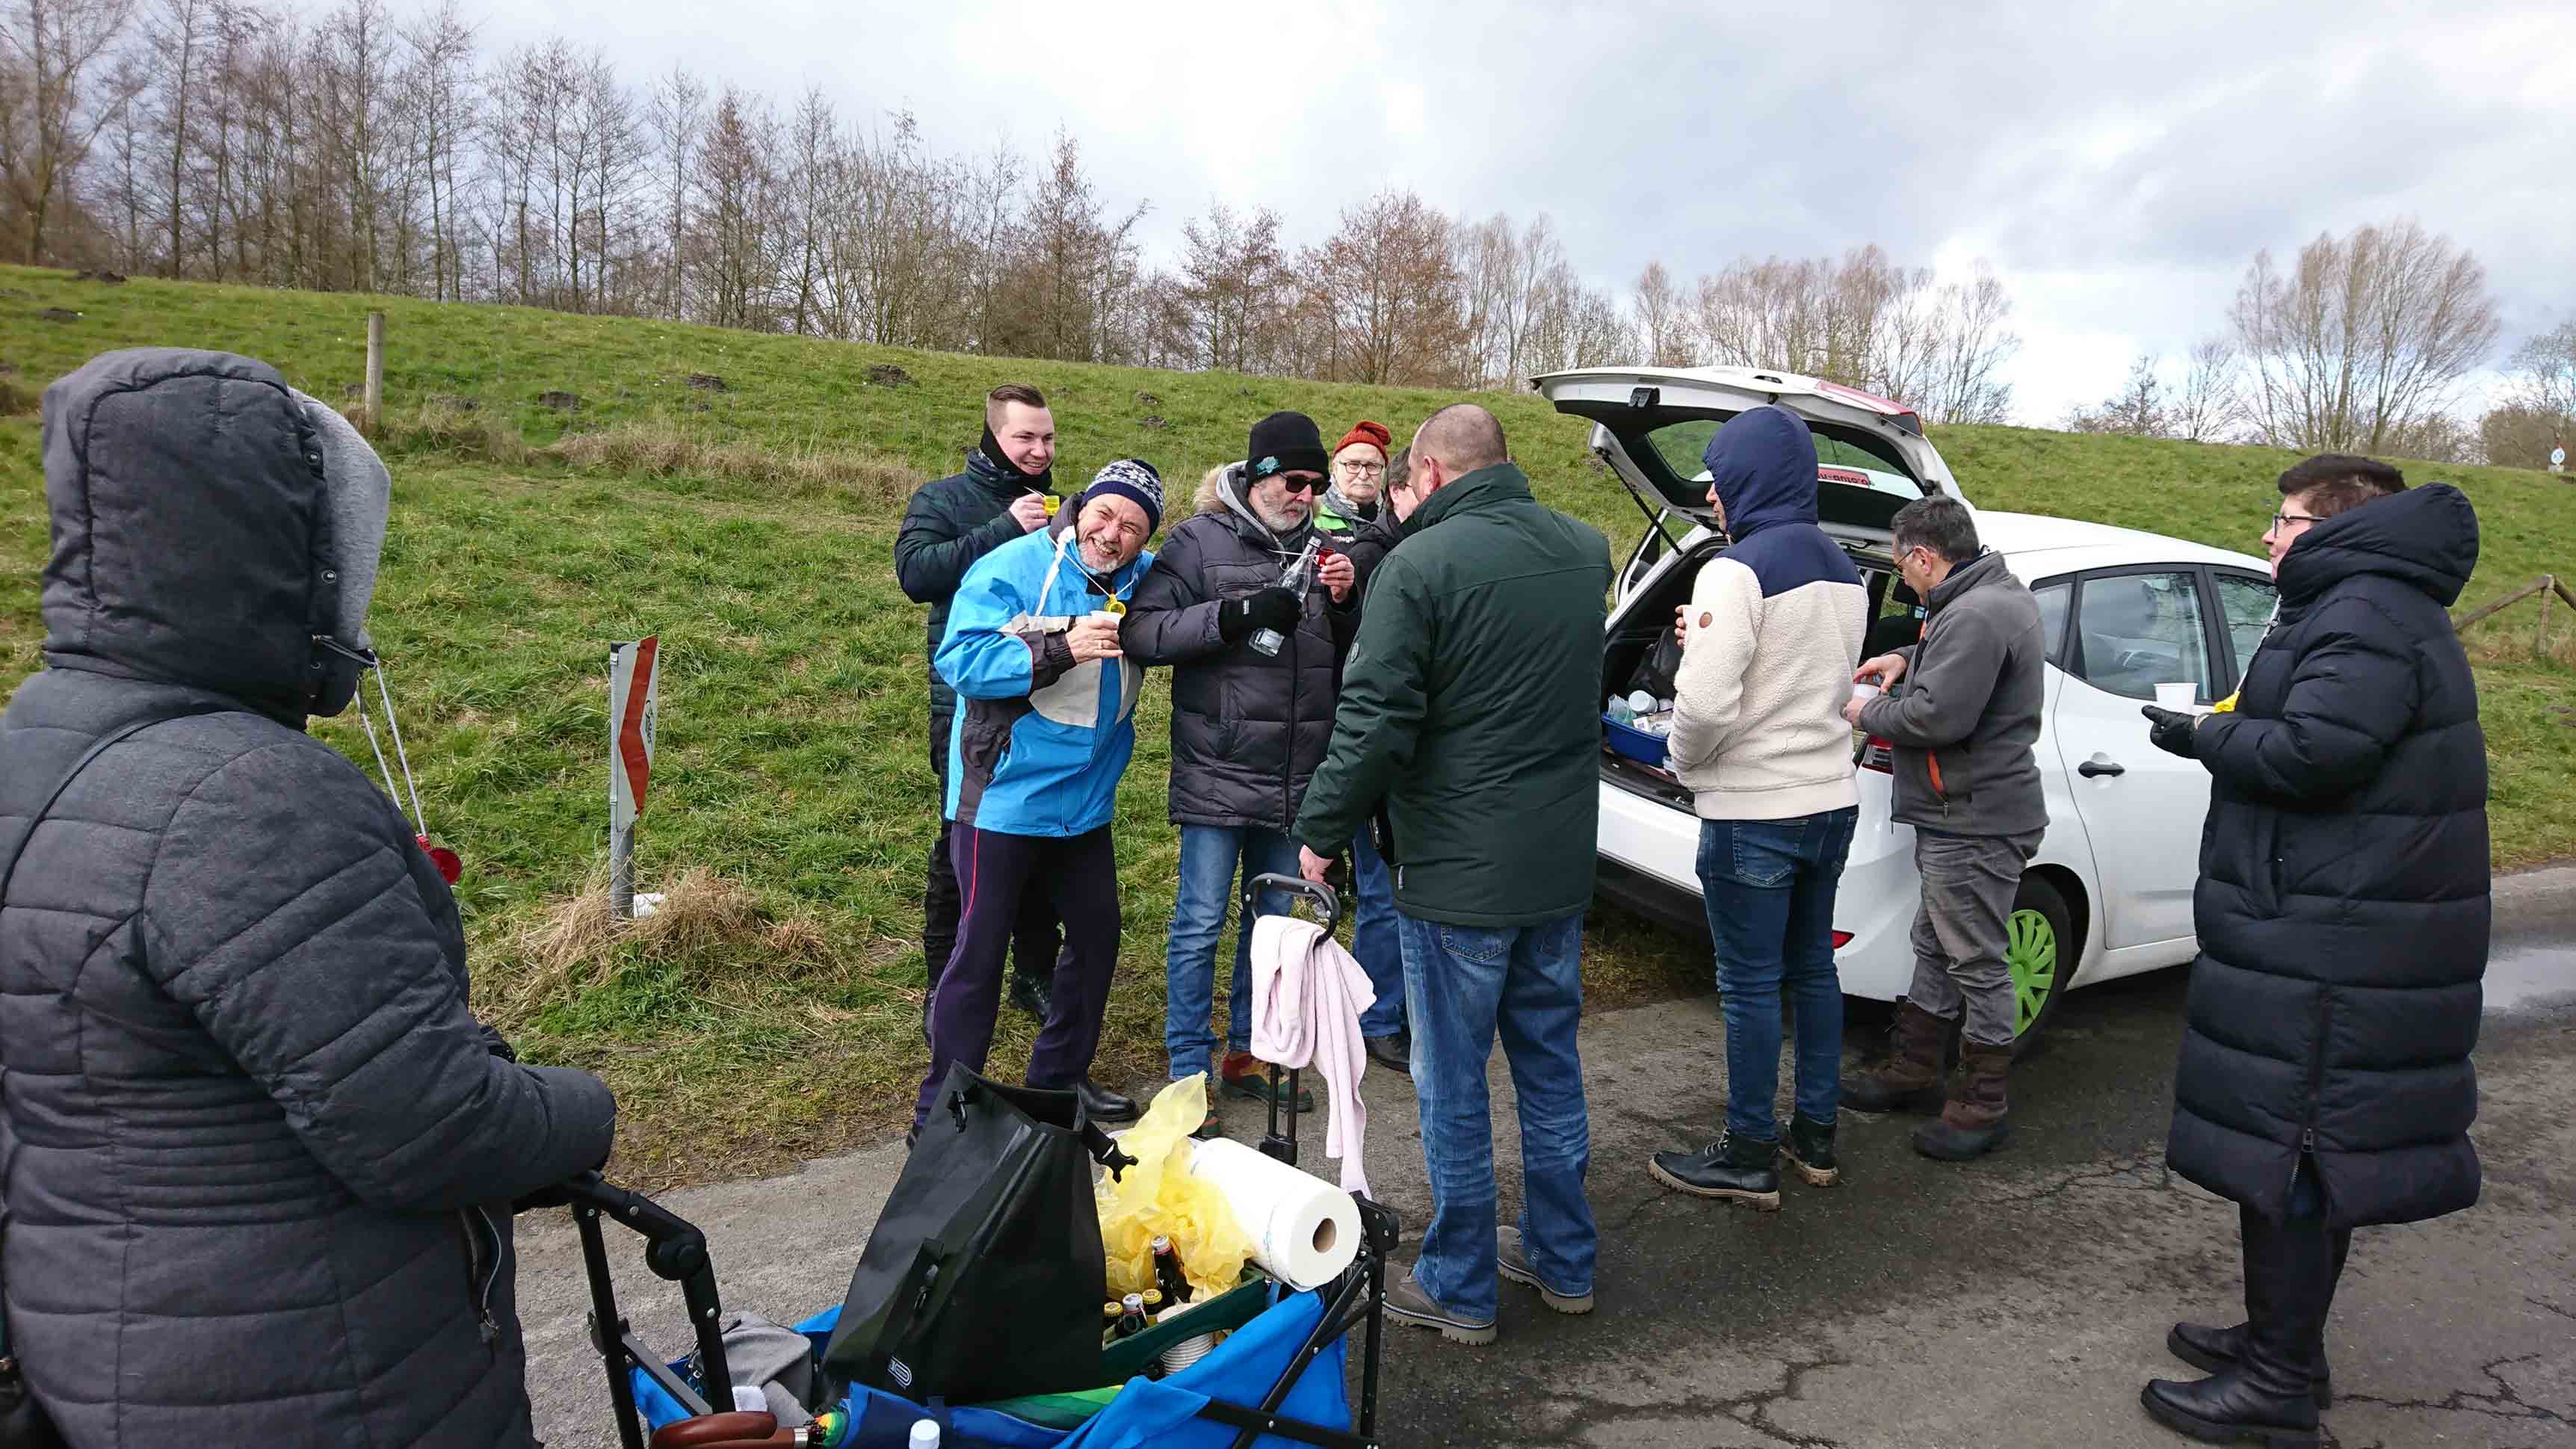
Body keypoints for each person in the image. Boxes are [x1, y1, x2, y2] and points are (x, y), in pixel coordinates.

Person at [0, 348, 617, 1448]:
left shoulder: (30, 749)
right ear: (281, 557)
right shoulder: (251, 799)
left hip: (104, 1352)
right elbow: (430, 1125)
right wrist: (583, 1108)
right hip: (321, 1378)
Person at [2135, 457, 2486, 1449]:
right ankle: (2281, 1343)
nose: (2267, 535)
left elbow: (2315, 752)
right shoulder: (2367, 605)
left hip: (2333, 940)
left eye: (2284, 519)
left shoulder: (2364, 611)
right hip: (2336, 921)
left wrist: (2202, 737)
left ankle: (2277, 1383)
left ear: (2333, 528)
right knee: (2300, 1148)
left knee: (2292, 1150)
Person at [1295, 404, 1612, 1345]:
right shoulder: (1584, 550)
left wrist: (1320, 830)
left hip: (1456, 870)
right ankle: (1564, 1257)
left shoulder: (1417, 565)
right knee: (1550, 1064)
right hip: (1557, 862)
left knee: (1452, 1079)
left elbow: (1375, 718)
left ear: (1428, 473)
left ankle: (1460, 1282)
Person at [1645, 406, 1868, 1208]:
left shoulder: (1732, 569)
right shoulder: (1845, 567)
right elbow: (1801, 666)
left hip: (1754, 810)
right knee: (1813, 969)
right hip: (1830, 798)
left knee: (1747, 985)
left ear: (1751, 478)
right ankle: (1815, 1135)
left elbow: (1705, 705)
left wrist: (1681, 760)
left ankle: (1746, 1151)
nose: (1712, 497)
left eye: (1721, 479)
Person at [913, 460, 1164, 1136]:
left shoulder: (1146, 579)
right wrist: (1060, 646)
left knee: (1096, 936)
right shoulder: (1014, 565)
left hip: (1084, 803)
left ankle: (1056, 1082)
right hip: (1002, 797)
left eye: (1132, 527)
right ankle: (942, 1110)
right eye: (1105, 514)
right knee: (979, 952)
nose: (1112, 534)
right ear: (1081, 508)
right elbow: (960, 661)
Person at [1122, 414, 1356, 1132]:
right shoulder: (1197, 541)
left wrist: (1347, 601)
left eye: (1317, 484)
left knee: (1273, 928)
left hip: (1294, 775)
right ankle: (1187, 1070)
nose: (1307, 495)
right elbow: (1143, 632)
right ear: (1258, 476)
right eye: (1295, 481)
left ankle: (1249, 1052)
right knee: (1199, 923)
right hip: (1218, 769)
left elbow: (1350, 657)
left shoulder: (1326, 550)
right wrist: (1235, 614)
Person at [1840, 495, 2047, 1161]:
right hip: (1961, 810)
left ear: (1925, 557)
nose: (1901, 577)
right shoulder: (1979, 597)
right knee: (1934, 944)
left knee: (1977, 961)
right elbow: (1956, 662)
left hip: (1974, 818)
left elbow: (1935, 718)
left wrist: (1864, 712)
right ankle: (1913, 1070)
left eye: (1901, 565)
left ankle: (1982, 1105)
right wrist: (1906, 654)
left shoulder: (1978, 613)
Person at [895, 384, 1066, 1027]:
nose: (1039, 450)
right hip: (966, 707)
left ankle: (1034, 972)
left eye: (1047, 438)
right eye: (1025, 437)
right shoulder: (942, 499)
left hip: (1046, 699)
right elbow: (916, 574)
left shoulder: (1060, 506)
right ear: (993, 436)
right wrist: (1003, 531)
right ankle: (945, 986)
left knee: (1041, 841)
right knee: (961, 846)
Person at [1312, 419, 1409, 1073]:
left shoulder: (1397, 539)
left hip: (1370, 727)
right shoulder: (1344, 540)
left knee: (1383, 883)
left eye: (1372, 466)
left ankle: (1381, 1011)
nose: (1362, 476)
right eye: (1352, 465)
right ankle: (1372, 1016)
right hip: (1349, 725)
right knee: (1377, 884)